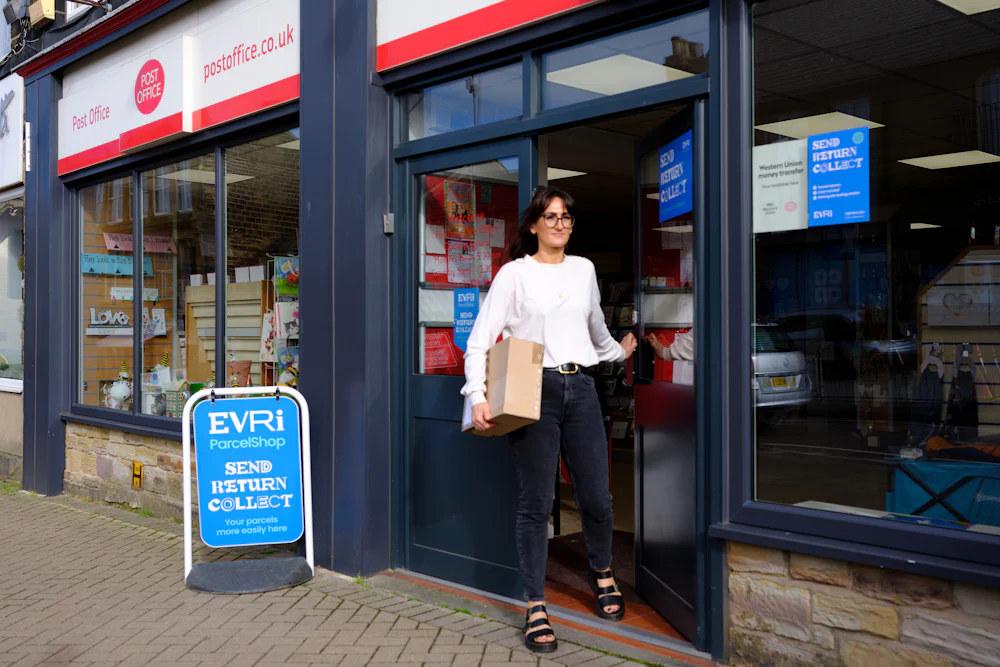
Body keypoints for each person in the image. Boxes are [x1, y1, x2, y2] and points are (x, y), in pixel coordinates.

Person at [462, 186, 638, 653]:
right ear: (534, 225)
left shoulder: (584, 270)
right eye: (551, 216)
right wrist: (477, 395)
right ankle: (535, 603)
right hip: (529, 387)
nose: (560, 223)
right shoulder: (513, 275)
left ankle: (602, 571)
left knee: (597, 496)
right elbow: (480, 340)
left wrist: (618, 352)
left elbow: (595, 328)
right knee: (536, 503)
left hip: (581, 389)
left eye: (566, 217)